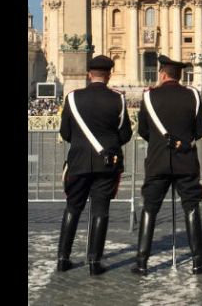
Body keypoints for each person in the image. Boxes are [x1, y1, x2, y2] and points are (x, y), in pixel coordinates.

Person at [131, 55, 202, 275]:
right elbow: (201, 131)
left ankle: (141, 263)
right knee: (191, 207)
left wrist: (160, 143)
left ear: (162, 74)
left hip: (157, 161)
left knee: (150, 208)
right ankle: (198, 261)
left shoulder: (149, 96)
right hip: (185, 161)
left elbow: (143, 130)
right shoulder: (193, 95)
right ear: (180, 75)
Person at [57, 55, 132, 275]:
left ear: (89, 75)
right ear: (109, 75)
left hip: (78, 162)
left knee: (73, 208)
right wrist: (110, 143)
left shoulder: (72, 98)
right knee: (101, 211)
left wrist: (81, 145)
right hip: (107, 163)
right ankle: (94, 262)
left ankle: (63, 258)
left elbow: (65, 132)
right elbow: (125, 133)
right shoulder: (118, 99)